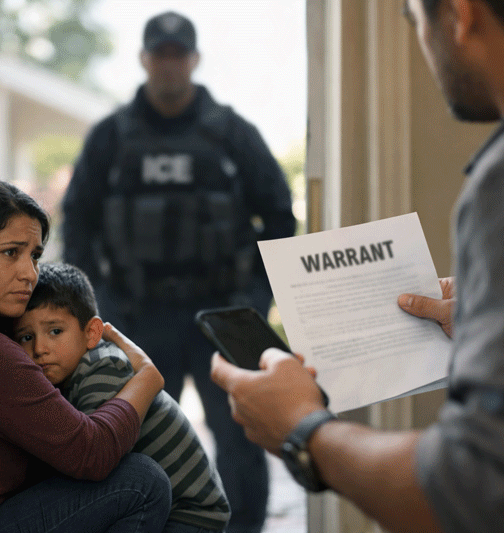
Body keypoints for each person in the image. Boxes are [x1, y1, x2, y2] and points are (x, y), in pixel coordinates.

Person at [210, 1, 504, 532]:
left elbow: (496, 494)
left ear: (461, 14)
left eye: (416, 20)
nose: (425, 44)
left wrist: (304, 430)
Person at [61, 11, 296, 533]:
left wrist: (255, 298)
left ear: (193, 60)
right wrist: (97, 307)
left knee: (241, 436)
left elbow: (280, 217)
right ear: (145, 60)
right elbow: (77, 221)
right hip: (138, 313)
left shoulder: (232, 133)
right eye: (159, 54)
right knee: (135, 435)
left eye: (178, 54)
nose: (169, 65)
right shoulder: (111, 137)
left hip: (222, 313)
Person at [0, 179, 171, 533]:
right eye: (10, 253)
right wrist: (146, 377)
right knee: (142, 481)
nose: (29, 274)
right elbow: (91, 453)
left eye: (34, 256)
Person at [11, 262, 231, 533]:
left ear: (91, 333)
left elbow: (90, 457)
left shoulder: (102, 369)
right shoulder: (68, 375)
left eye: (55, 331)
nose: (39, 348)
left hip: (191, 514)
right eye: (26, 337)